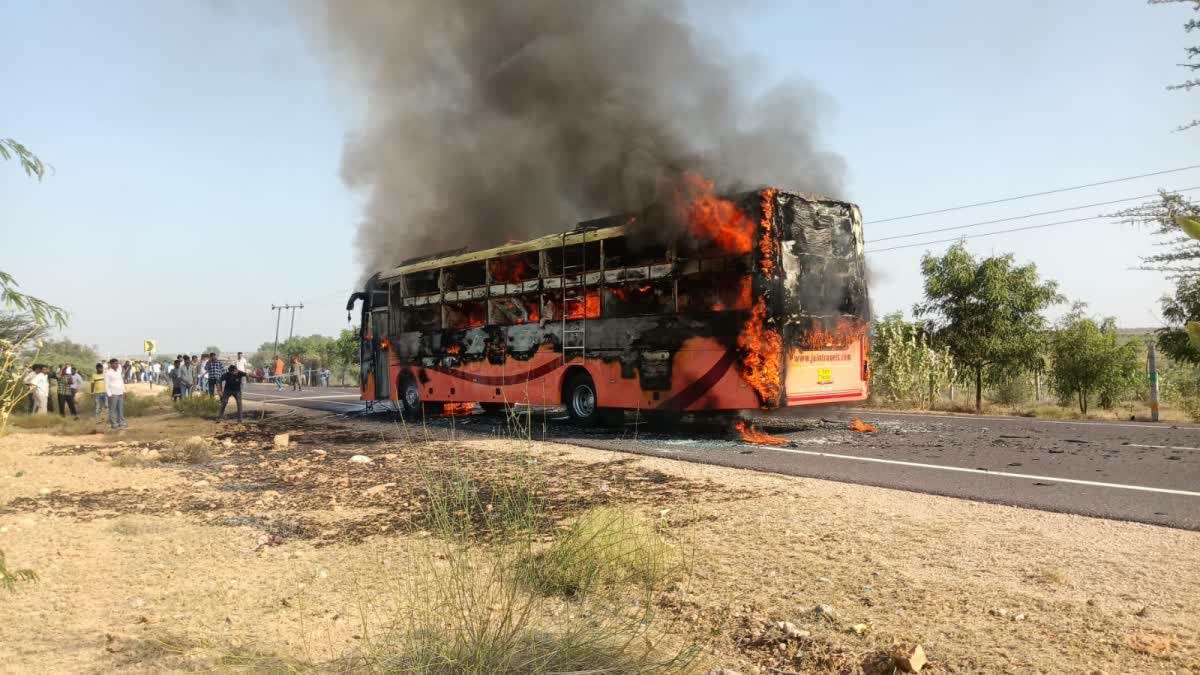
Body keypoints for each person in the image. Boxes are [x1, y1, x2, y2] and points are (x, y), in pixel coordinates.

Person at [104, 358, 127, 431]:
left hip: (120, 392)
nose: (117, 365)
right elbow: (106, 384)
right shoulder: (108, 373)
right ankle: (113, 425)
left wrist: (124, 391)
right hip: (113, 393)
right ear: (111, 364)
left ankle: (122, 423)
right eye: (115, 363)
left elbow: (121, 381)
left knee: (120, 409)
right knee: (112, 410)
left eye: (117, 363)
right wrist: (109, 394)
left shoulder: (118, 371)